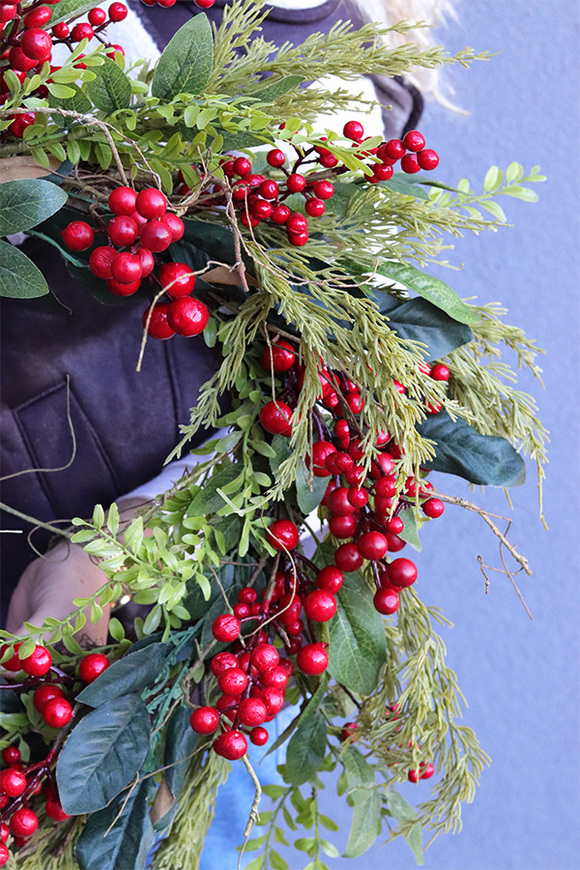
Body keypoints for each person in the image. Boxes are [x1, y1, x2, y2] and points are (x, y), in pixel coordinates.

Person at [1, 0, 451, 638]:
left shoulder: (355, 109)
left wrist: (117, 553)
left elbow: (308, 426)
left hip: (55, 577)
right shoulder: (60, 22)